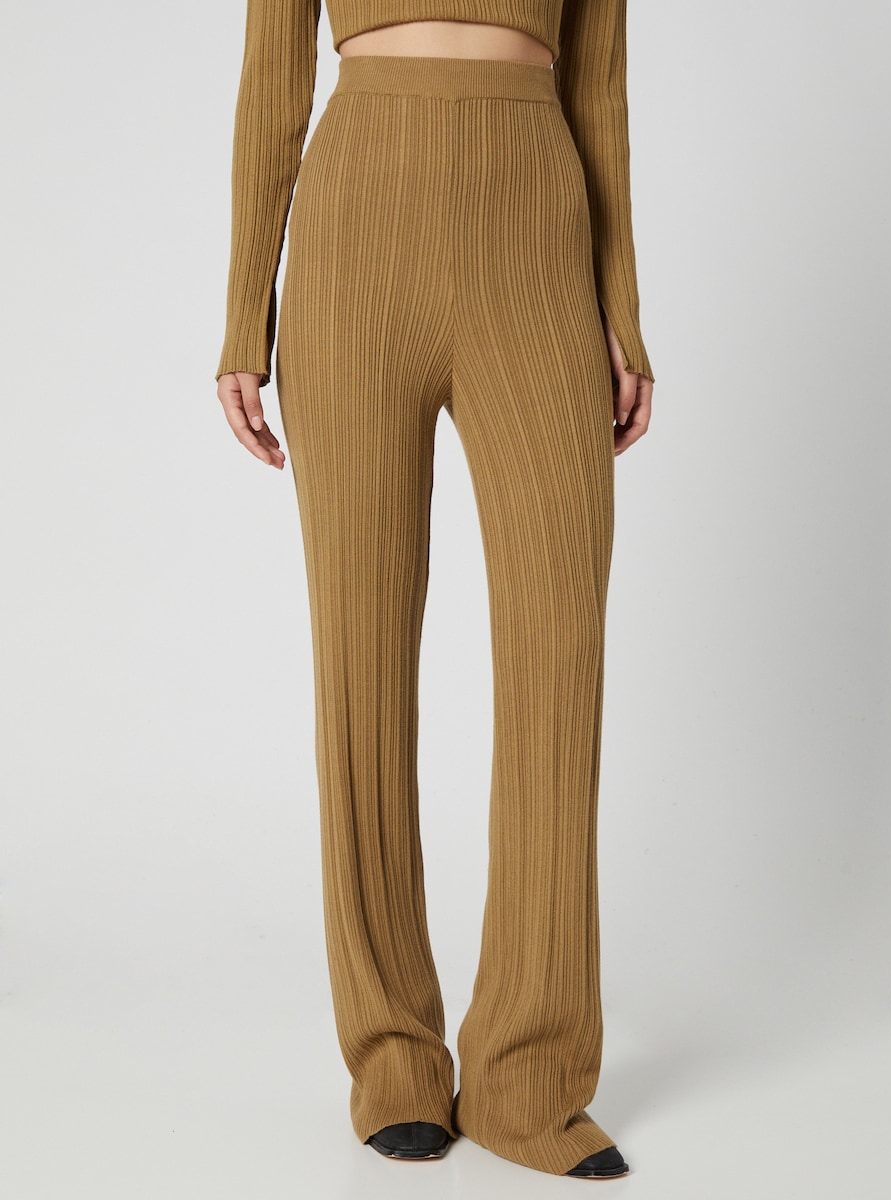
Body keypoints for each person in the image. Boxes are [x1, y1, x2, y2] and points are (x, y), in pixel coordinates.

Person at [214, 1, 654, 1181]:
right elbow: (273, 93)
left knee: (560, 655)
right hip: (355, 241)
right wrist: (245, 316)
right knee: (358, 664)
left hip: (536, 247)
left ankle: (527, 1074)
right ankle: (394, 1057)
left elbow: (599, 92)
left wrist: (621, 309)